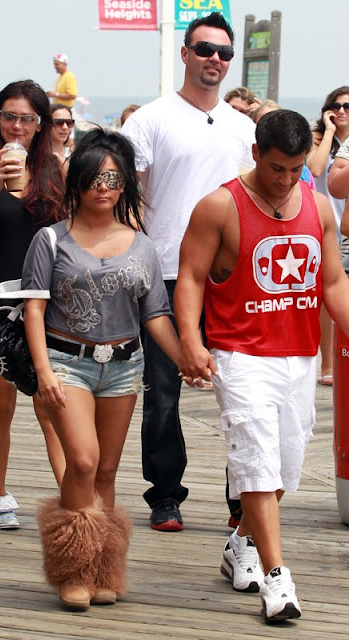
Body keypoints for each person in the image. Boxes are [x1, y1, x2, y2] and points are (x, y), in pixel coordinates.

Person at [174, 109, 349, 622]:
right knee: (255, 459)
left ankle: (240, 544)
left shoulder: (318, 206)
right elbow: (190, 277)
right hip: (239, 354)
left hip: (299, 355)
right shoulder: (219, 206)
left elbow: (333, 282)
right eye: (276, 168)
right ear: (255, 153)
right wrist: (191, 342)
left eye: (296, 169)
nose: (286, 180)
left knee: (282, 468)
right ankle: (278, 578)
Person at [21, 127, 182, 611]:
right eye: (94, 177)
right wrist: (44, 370)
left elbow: (156, 315)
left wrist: (186, 359)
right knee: (84, 461)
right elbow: (33, 309)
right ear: (78, 181)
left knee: (108, 470)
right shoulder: (51, 240)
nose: (103, 187)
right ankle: (71, 570)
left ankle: (102, 570)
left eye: (113, 178)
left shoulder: (143, 246)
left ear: (125, 183)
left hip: (123, 367)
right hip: (67, 363)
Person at [121, 11, 255, 532]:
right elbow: (125, 196)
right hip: (166, 274)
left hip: (230, 278)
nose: (214, 59)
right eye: (204, 49)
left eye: (224, 52)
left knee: (240, 394)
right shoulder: (150, 119)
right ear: (185, 53)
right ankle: (164, 495)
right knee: (162, 393)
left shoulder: (244, 129)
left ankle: (243, 498)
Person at [0, 80, 67, 529]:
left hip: (45, 304)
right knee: (1, 405)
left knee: (52, 406)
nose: (17, 126)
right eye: (9, 116)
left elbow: (69, 235)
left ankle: (73, 500)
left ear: (40, 124)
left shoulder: (55, 170)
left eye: (27, 118)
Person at [307, 86, 349, 386]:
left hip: (344, 227)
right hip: (323, 225)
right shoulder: (318, 138)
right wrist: (330, 131)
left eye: (348, 106)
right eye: (335, 106)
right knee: (325, 299)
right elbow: (316, 168)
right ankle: (327, 363)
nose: (341, 111)